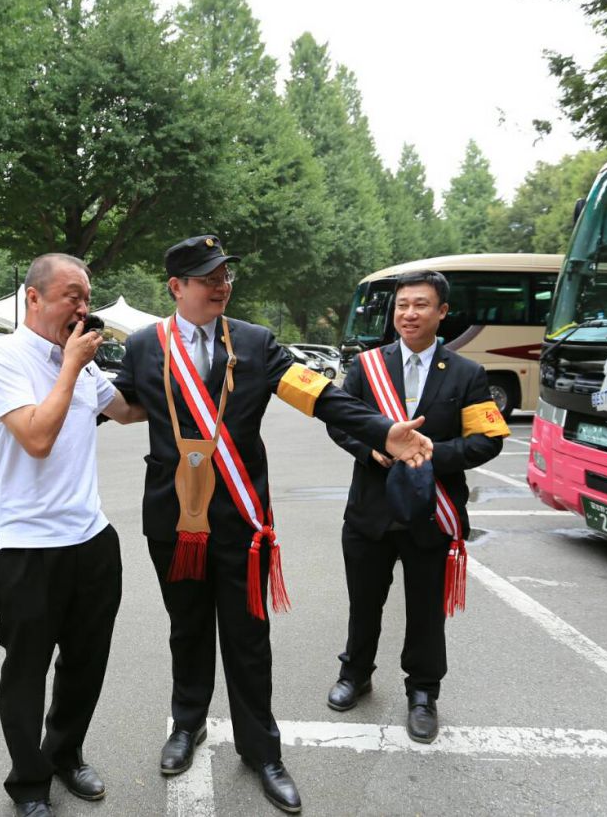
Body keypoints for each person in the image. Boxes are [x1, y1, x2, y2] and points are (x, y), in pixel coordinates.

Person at [109, 235, 432, 814]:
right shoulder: (142, 345)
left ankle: (262, 751)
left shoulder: (255, 343)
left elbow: (320, 396)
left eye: (225, 276)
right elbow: (123, 405)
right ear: (176, 287)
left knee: (248, 639)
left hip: (242, 522)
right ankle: (187, 724)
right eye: (208, 278)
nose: (222, 286)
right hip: (175, 519)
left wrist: (384, 431)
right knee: (186, 630)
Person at [0, 253, 146, 817]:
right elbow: (37, 438)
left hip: (91, 539)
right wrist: (71, 364)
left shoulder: (84, 365)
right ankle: (29, 784)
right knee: (26, 671)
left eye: (87, 296)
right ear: (34, 298)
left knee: (85, 662)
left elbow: (126, 411)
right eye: (72, 295)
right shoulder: (0, 357)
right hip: (26, 546)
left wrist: (190, 385)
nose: (82, 306)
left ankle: (65, 753)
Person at [324, 270, 508, 745]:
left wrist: (430, 454)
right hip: (370, 512)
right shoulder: (367, 367)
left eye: (421, 304)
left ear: (442, 312)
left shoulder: (467, 374)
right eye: (402, 304)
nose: (409, 313)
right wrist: (373, 449)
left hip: (433, 512)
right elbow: (339, 423)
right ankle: (355, 674)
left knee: (427, 610)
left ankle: (423, 693)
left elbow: (487, 440)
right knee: (364, 602)